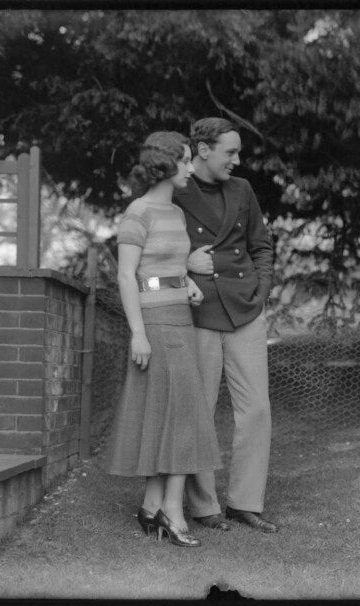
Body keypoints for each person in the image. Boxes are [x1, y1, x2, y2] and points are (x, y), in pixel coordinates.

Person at [106, 131, 223, 548]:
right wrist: (138, 334)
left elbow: (168, 264)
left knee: (172, 412)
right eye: (186, 160)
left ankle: (152, 506)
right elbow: (127, 276)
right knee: (184, 414)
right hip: (154, 324)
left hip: (181, 319)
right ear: (165, 163)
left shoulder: (174, 212)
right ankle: (172, 511)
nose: (191, 167)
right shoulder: (138, 213)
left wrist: (186, 281)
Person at [173, 117, 278, 533]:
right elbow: (149, 247)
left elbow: (261, 246)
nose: (236, 160)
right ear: (203, 150)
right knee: (199, 408)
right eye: (229, 152)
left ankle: (245, 502)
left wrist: (260, 290)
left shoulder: (242, 189)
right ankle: (204, 506)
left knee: (257, 410)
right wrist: (184, 263)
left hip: (245, 309)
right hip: (199, 311)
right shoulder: (176, 188)